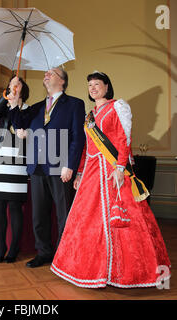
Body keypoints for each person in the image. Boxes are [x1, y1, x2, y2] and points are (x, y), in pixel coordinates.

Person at [51, 71, 171, 288]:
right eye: (90, 85)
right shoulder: (90, 115)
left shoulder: (118, 107)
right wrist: (79, 172)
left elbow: (124, 139)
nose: (93, 88)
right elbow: (87, 148)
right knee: (84, 220)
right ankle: (88, 270)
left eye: (97, 84)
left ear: (107, 87)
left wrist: (119, 167)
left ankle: (122, 273)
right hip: (90, 172)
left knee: (122, 220)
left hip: (112, 170)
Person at [9, 67, 86, 268]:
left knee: (63, 214)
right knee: (38, 215)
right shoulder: (36, 107)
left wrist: (70, 165)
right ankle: (43, 252)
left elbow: (78, 138)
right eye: (46, 73)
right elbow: (18, 123)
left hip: (61, 167)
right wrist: (16, 101)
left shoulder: (75, 104)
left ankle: (64, 256)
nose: (46, 74)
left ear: (62, 81)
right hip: (37, 167)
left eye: (51, 73)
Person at [0, 76, 29, 263]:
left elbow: (24, 129)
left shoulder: (28, 110)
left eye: (17, 86)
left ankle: (14, 246)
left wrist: (16, 105)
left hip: (17, 160)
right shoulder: (2, 109)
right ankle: (2, 245)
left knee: (14, 205)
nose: (13, 88)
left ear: (23, 90)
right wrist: (7, 97)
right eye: (10, 86)